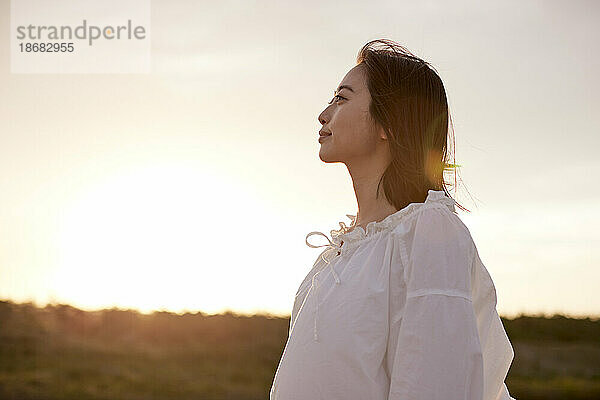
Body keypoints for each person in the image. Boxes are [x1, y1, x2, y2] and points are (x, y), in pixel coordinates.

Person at [269, 39, 516, 400]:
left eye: (341, 98)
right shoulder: (339, 254)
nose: (324, 114)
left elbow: (437, 385)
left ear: (389, 123)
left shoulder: (430, 232)